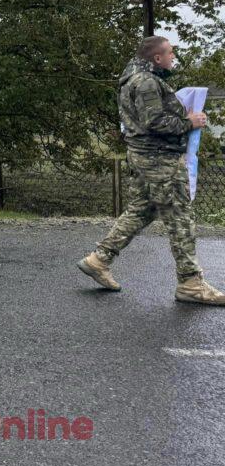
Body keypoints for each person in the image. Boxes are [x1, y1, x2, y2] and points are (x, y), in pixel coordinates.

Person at [78, 36, 225, 304]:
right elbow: (154, 121)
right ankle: (191, 283)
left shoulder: (134, 78)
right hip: (160, 161)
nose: (173, 57)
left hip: (144, 157)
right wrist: (188, 122)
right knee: (180, 217)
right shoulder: (145, 82)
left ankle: (99, 259)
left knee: (142, 210)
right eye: (170, 53)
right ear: (157, 58)